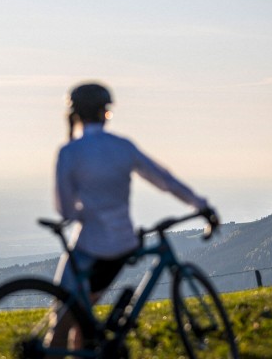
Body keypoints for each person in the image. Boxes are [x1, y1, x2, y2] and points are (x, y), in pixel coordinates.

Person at [53, 81, 213, 317]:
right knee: (85, 320)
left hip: (89, 245)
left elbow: (65, 211)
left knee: (64, 317)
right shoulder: (122, 147)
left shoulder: (69, 152)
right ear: (104, 113)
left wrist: (86, 213)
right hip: (122, 245)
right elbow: (164, 180)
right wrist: (200, 205)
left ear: (75, 115)